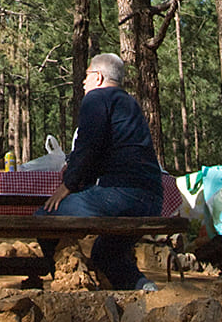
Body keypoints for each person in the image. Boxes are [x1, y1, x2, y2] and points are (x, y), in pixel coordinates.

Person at [41, 52, 162, 292]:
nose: (83, 83)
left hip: (120, 195)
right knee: (106, 253)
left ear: (97, 77)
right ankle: (144, 288)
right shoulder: (130, 103)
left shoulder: (96, 98)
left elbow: (89, 147)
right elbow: (105, 150)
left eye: (86, 76)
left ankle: (71, 286)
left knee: (43, 220)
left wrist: (68, 186)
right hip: (152, 199)